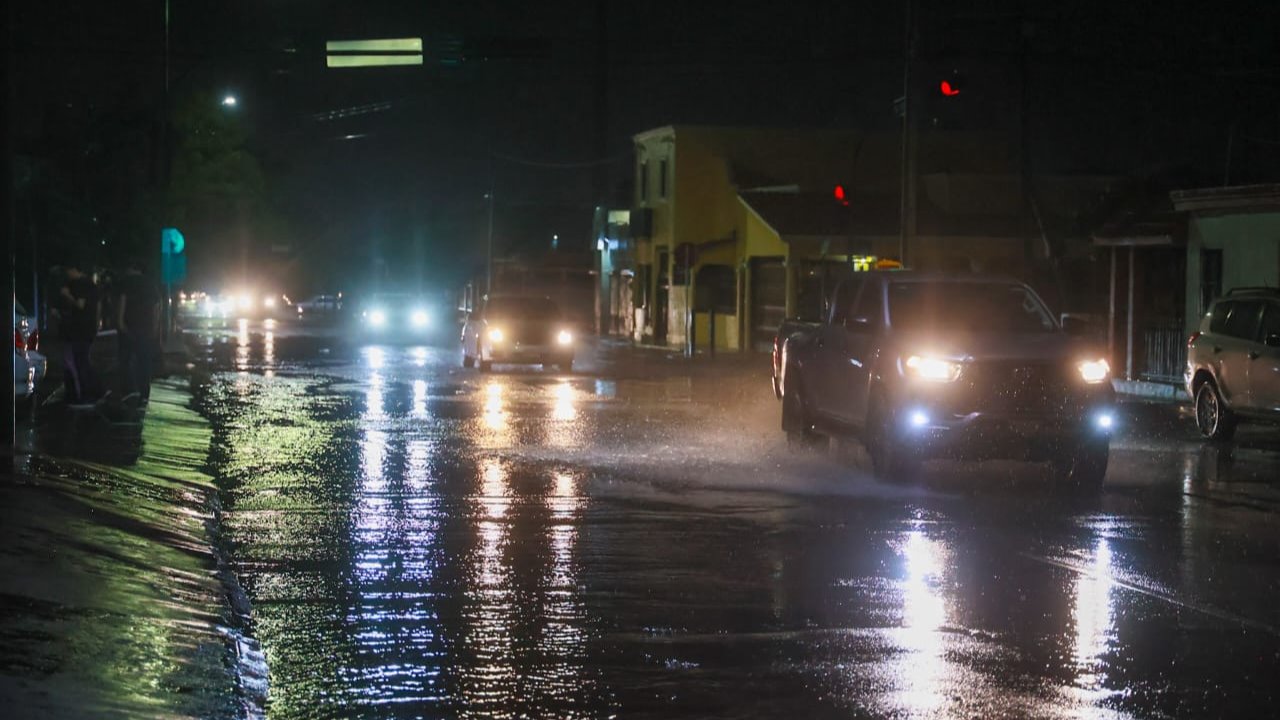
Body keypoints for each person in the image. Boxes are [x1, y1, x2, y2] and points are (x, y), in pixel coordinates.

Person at [54, 262, 102, 406]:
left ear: (75, 269)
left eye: (69, 270)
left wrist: (67, 295)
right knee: (81, 360)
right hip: (87, 328)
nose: (68, 274)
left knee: (79, 361)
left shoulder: (81, 284)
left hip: (80, 328)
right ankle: (92, 392)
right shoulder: (92, 285)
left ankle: (87, 394)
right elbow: (98, 306)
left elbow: (80, 305)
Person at [117, 260, 160, 404]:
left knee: (125, 359)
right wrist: (155, 326)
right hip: (146, 326)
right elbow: (156, 307)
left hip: (129, 325)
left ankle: (130, 390)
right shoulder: (150, 284)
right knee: (144, 361)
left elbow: (122, 301)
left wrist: (120, 321)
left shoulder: (126, 282)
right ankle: (144, 393)